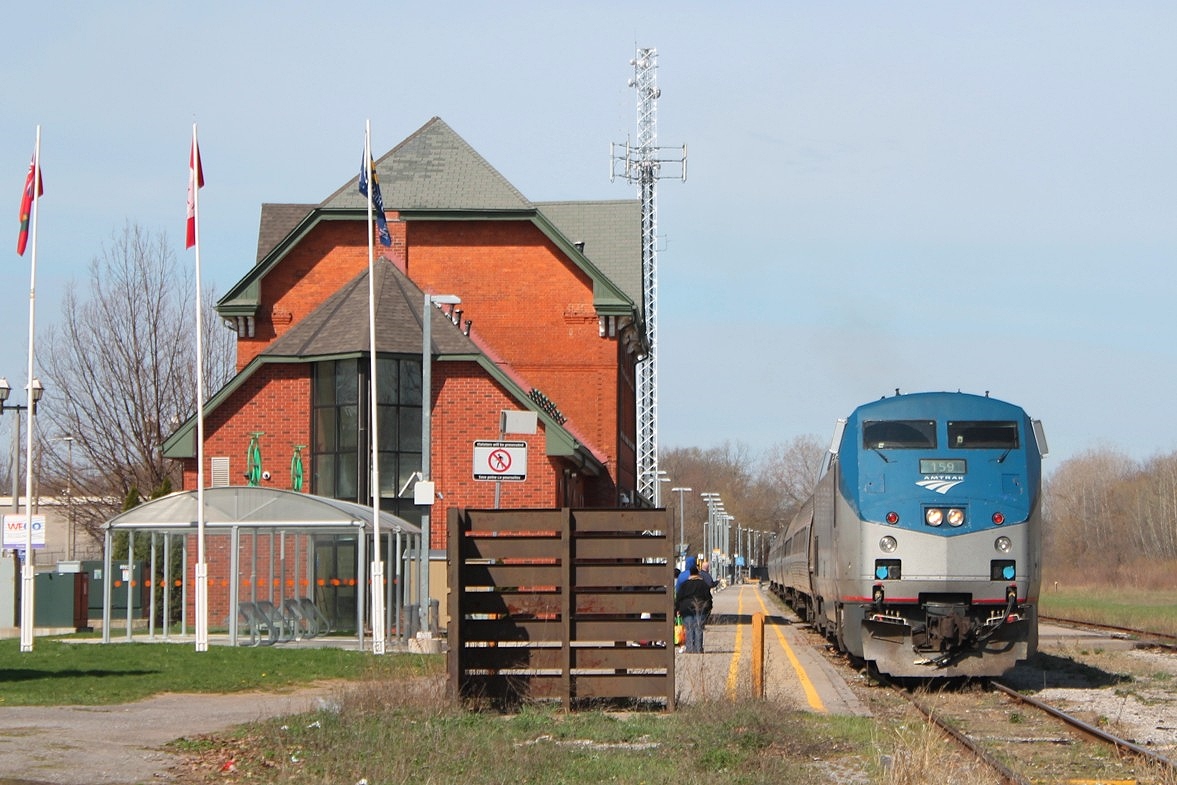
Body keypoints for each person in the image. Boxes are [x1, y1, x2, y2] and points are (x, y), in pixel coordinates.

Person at [675, 563, 712, 653]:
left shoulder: (685, 585)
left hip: (686, 608)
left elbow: (679, 597)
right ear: (698, 573)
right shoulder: (703, 584)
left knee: (689, 628)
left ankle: (690, 648)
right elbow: (708, 597)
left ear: (690, 574)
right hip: (700, 608)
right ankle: (698, 649)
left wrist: (677, 609)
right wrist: (709, 608)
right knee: (698, 628)